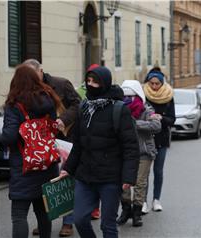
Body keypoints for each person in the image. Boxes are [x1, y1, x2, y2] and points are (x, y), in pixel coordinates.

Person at [58, 66, 140, 238]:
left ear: (105, 83)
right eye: (88, 81)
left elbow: (131, 147)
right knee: (79, 219)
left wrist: (128, 177)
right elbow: (78, 143)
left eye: (95, 81)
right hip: (85, 176)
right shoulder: (84, 107)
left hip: (110, 178)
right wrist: (68, 167)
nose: (90, 85)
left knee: (107, 225)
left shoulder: (119, 109)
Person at [0, 64, 62, 238]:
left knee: (19, 215)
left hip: (24, 167)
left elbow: (9, 137)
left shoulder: (14, 105)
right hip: (47, 163)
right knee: (42, 211)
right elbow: (53, 127)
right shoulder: (48, 98)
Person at [23, 59, 81, 237]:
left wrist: (63, 119)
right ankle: (44, 222)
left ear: (41, 71)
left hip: (64, 139)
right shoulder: (26, 89)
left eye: (34, 75)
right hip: (41, 144)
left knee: (65, 180)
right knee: (43, 184)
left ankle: (68, 223)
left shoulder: (61, 84)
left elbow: (78, 104)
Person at [117, 80, 161, 227]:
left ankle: (137, 213)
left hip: (144, 152)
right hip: (124, 152)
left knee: (140, 183)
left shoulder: (146, 110)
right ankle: (125, 210)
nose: (128, 100)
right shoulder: (119, 109)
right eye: (125, 96)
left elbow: (156, 125)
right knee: (124, 183)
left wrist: (135, 124)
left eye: (131, 96)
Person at [142, 67, 175, 213]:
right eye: (151, 83)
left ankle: (156, 199)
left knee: (158, 171)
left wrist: (161, 118)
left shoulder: (168, 96)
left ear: (162, 83)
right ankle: (142, 201)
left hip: (161, 138)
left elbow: (172, 119)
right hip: (146, 138)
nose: (154, 86)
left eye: (157, 84)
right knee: (144, 172)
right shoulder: (143, 95)